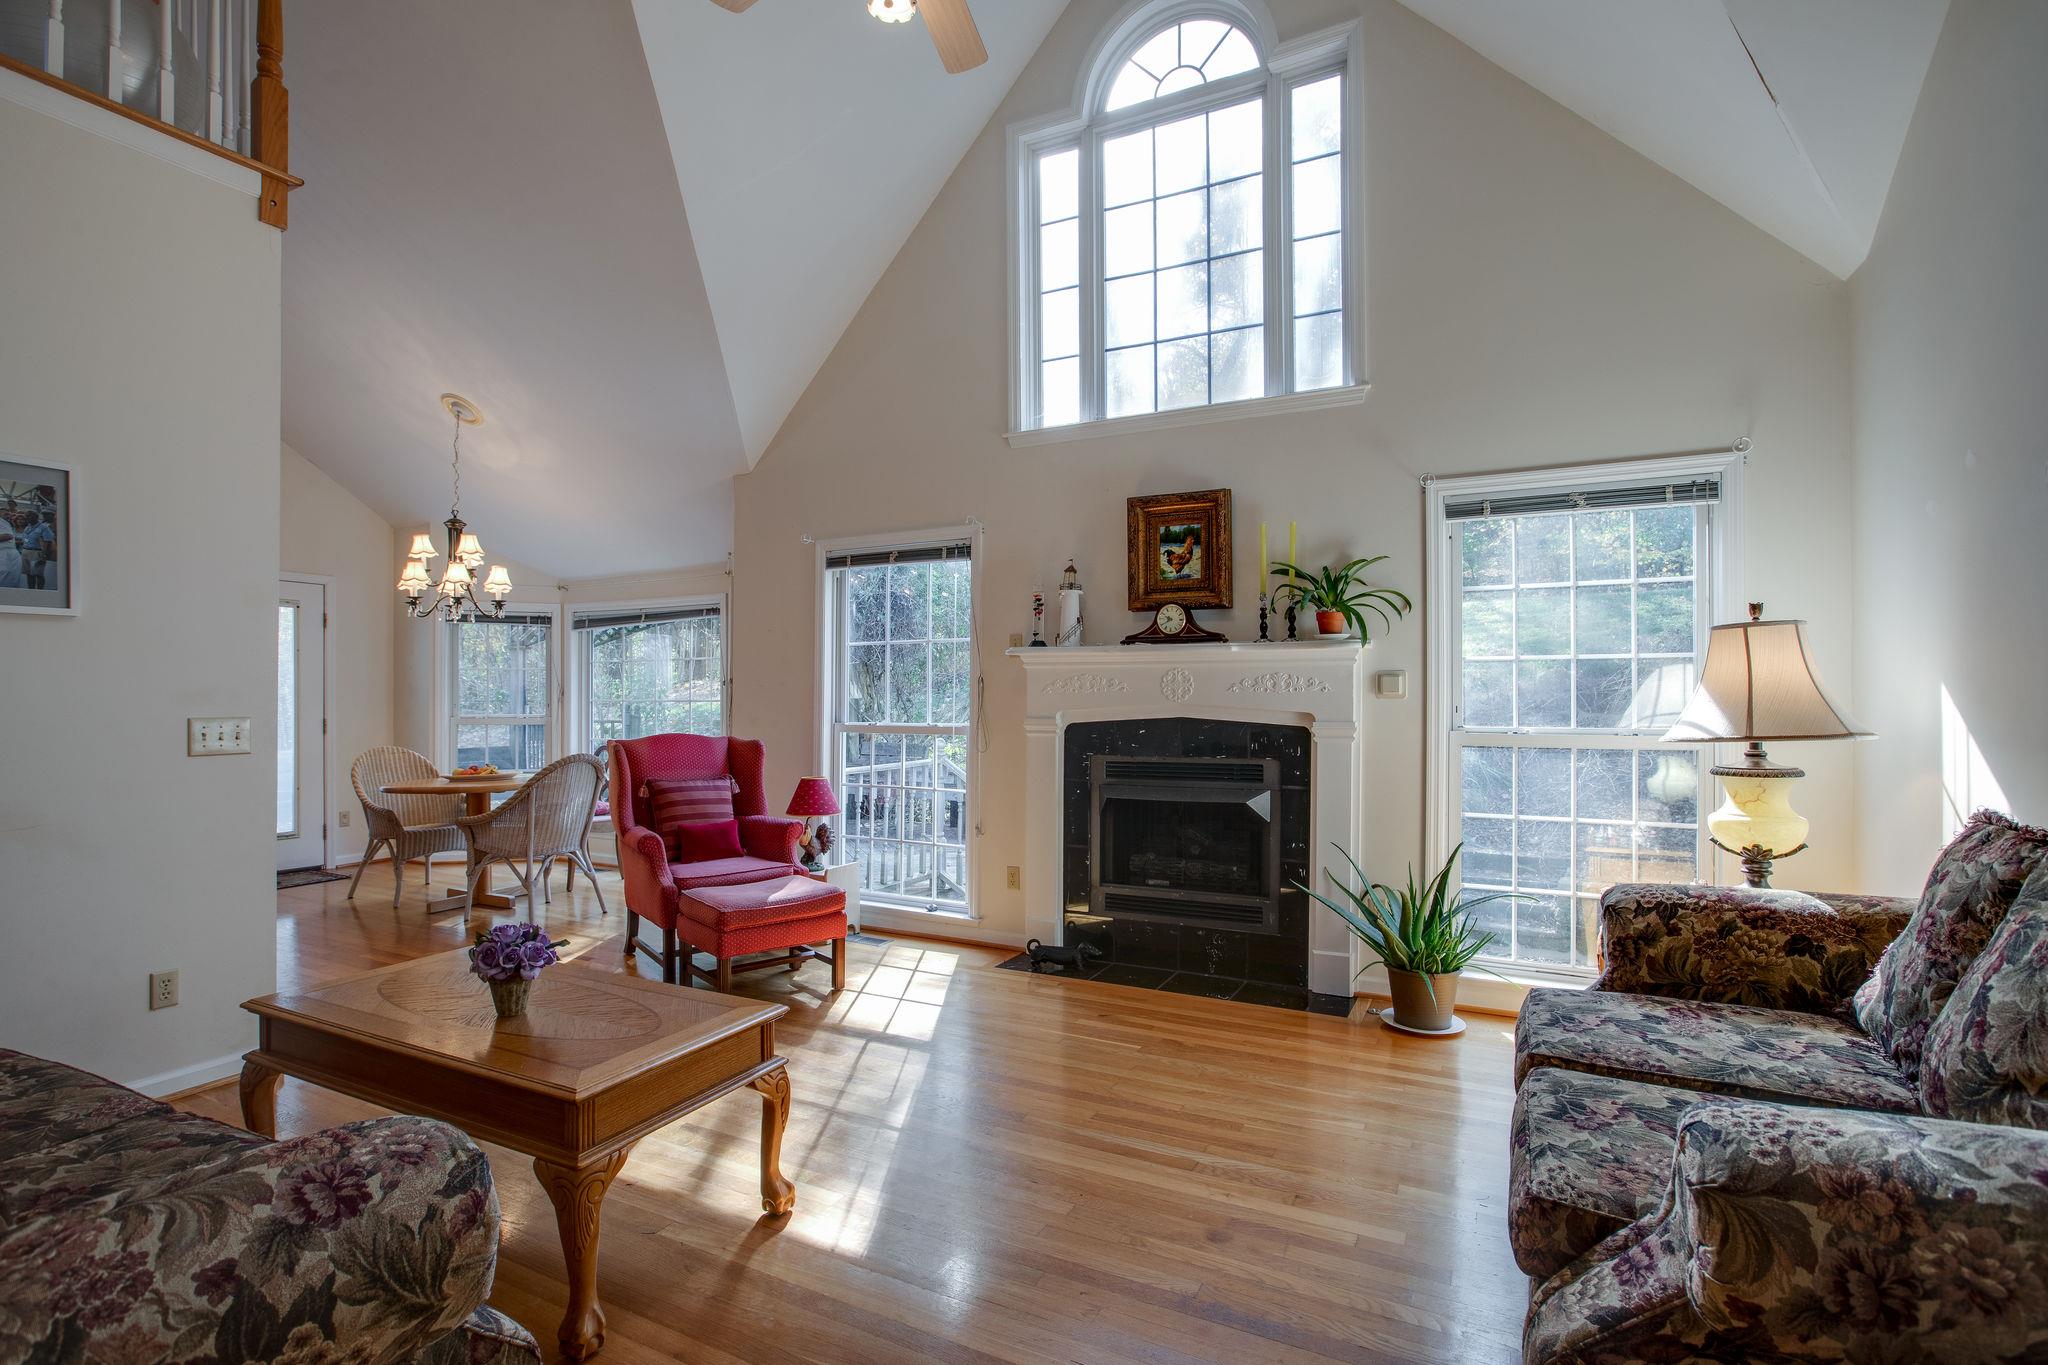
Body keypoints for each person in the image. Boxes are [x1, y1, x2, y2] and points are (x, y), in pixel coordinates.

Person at [20, 512, 54, 591]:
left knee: (38, 574)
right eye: (27, 516)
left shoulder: (43, 527)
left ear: (36, 517)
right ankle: (31, 591)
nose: (28, 517)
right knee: (29, 574)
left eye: (30, 516)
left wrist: (44, 556)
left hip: (36, 552)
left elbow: (48, 542)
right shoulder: (27, 527)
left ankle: (39, 592)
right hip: (25, 551)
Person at [0, 504, 23, 590]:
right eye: (5, 514)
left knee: (11, 577)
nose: (9, 516)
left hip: (9, 553)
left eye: (9, 514)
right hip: (5, 553)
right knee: (6, 577)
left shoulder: (5, 523)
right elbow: (8, 536)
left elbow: (8, 536)